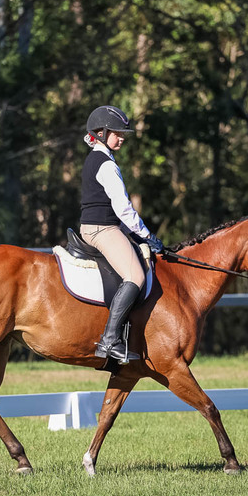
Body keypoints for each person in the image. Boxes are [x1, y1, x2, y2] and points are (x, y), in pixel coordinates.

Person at [79, 105, 164, 364]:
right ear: (101, 133)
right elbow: (124, 208)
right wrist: (146, 235)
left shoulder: (101, 159)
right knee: (136, 275)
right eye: (116, 132)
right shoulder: (105, 164)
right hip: (101, 229)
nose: (122, 137)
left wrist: (135, 236)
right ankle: (109, 340)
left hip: (104, 226)